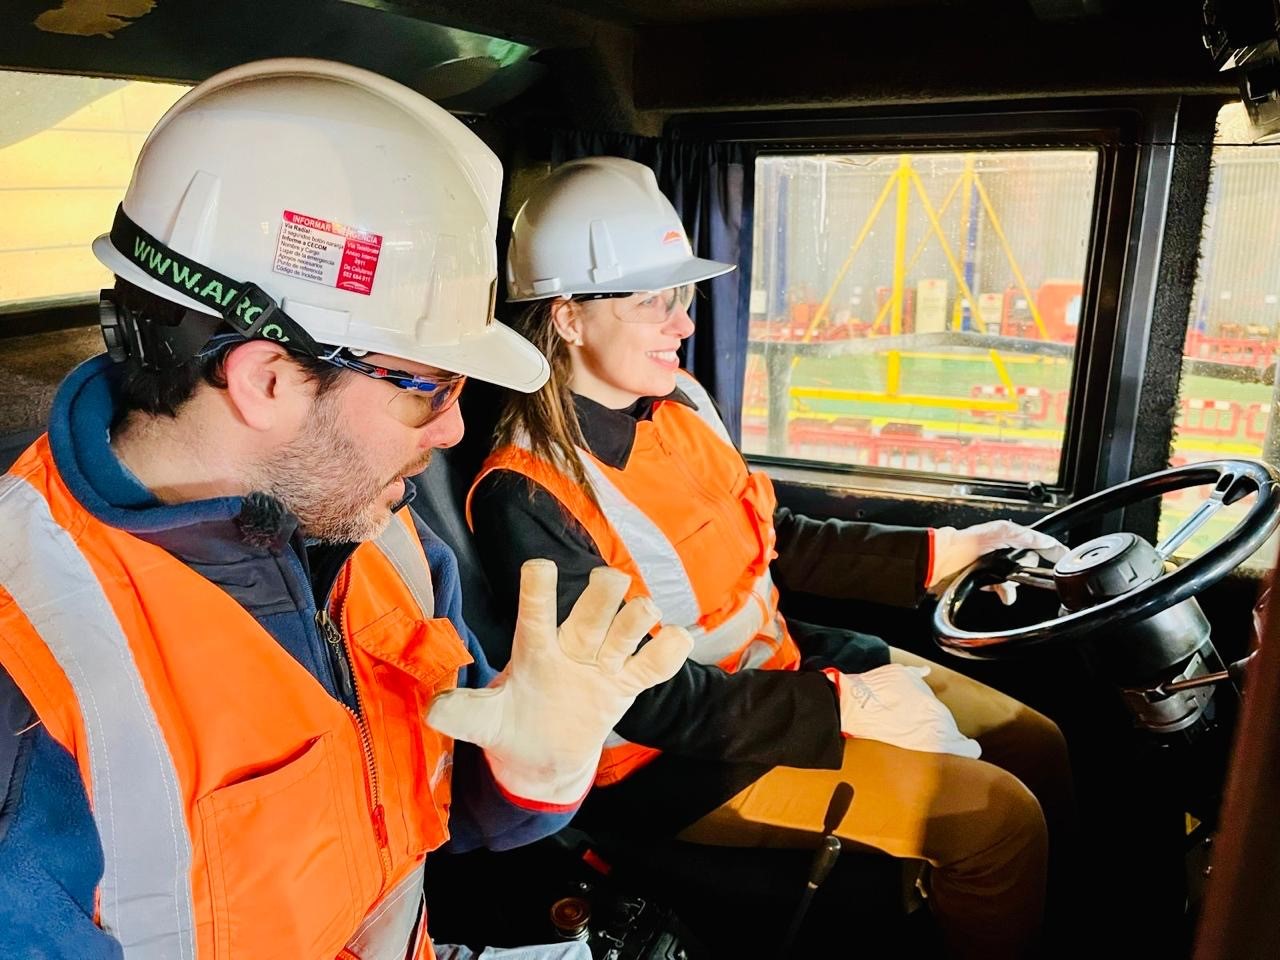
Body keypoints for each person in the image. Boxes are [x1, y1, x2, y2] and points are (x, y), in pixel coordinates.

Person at [0, 65, 693, 960]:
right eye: (430, 388)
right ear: (267, 379)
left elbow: (435, 810)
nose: (453, 430)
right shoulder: (30, 672)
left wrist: (534, 768)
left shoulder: (380, 537)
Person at [468, 156, 1076, 959]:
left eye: (682, 297)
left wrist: (947, 551)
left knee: (1038, 741)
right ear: (569, 318)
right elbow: (640, 701)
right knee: (999, 821)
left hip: (780, 669)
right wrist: (838, 706)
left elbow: (773, 536)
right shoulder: (526, 491)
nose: (683, 324)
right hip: (677, 762)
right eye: (653, 302)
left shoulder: (680, 403)